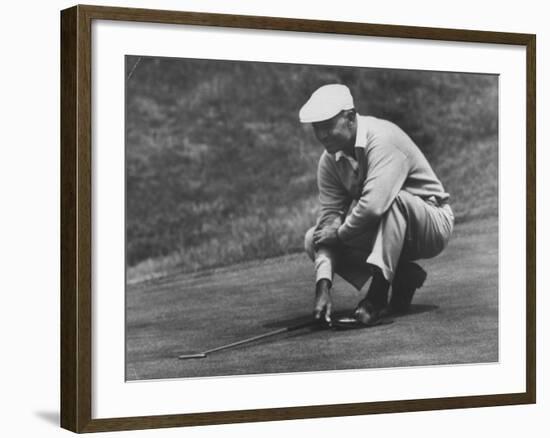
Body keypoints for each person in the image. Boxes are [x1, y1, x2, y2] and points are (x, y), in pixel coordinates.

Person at [300, 84, 454, 326]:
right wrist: (323, 286)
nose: (322, 135)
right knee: (313, 238)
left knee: (393, 201)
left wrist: (338, 234)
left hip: (431, 224)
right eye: (316, 128)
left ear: (350, 118)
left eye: (328, 126)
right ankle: (402, 274)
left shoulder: (382, 139)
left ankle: (377, 297)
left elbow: (373, 207)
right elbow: (329, 223)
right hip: (390, 232)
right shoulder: (330, 160)